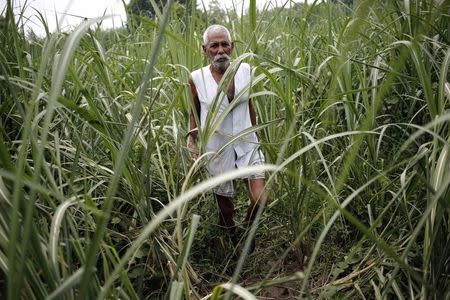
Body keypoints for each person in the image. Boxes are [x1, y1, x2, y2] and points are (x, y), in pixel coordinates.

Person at [186, 24, 267, 247]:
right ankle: (232, 237)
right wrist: (192, 139)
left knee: (260, 198)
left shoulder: (245, 71)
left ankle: (247, 230)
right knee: (225, 207)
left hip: (247, 140)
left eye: (225, 45)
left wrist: (256, 132)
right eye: (214, 46)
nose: (220, 50)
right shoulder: (196, 78)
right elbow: (194, 111)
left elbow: (249, 104)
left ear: (232, 47)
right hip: (217, 146)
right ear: (205, 50)